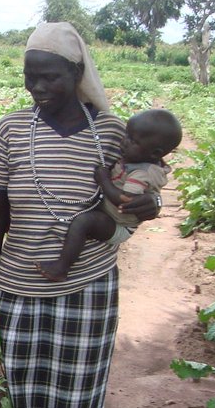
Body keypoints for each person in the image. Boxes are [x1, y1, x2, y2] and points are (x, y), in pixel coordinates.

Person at [0, 22, 159, 408]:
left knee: (76, 400)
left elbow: (137, 197)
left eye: (51, 77)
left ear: (77, 75)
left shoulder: (112, 134)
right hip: (21, 286)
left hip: (89, 286)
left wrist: (145, 207)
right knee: (28, 400)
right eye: (32, 78)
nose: (40, 88)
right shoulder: (10, 132)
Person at [37, 108, 181, 282]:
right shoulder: (137, 158)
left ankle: (61, 268)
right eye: (126, 135)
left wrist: (103, 180)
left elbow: (124, 200)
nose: (124, 142)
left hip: (119, 224)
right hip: (111, 213)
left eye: (132, 141)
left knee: (83, 222)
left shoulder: (142, 173)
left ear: (155, 153)